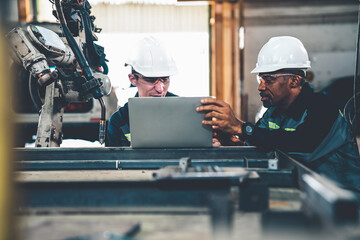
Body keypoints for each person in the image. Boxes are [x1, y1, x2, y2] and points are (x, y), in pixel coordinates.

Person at [197, 36, 360, 191]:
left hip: (346, 199)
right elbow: (261, 146)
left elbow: (304, 146)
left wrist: (241, 127)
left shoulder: (323, 109)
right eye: (260, 80)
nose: (261, 87)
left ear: (294, 81)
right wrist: (230, 142)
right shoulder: (274, 112)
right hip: (307, 193)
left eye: (268, 80)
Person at [106, 36, 178, 146]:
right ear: (133, 79)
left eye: (165, 79)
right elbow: (115, 160)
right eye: (150, 80)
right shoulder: (120, 121)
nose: (160, 89)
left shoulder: (185, 112)